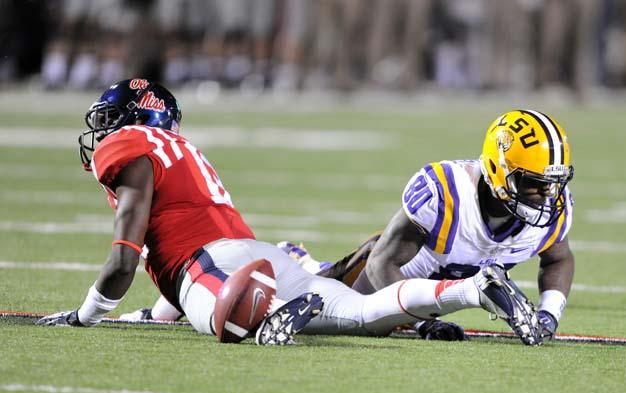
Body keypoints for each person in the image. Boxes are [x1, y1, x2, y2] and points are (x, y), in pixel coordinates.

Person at [37, 79, 542, 345]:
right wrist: (147, 314)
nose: (102, 136)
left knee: (221, 322)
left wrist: (86, 317)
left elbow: (126, 259)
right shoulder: (182, 152)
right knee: (365, 313)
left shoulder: (131, 145)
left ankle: (275, 314)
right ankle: (474, 289)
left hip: (216, 266)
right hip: (251, 256)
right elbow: (174, 281)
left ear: (133, 120)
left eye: (109, 123)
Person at [290, 109, 575, 343]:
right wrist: (420, 323)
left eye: (553, 183)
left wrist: (548, 315)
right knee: (338, 310)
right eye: (533, 183)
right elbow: (380, 264)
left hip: (435, 292)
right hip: (385, 279)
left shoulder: (551, 208)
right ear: (497, 171)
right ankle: (298, 261)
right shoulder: (447, 191)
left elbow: (558, 258)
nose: (547, 195)